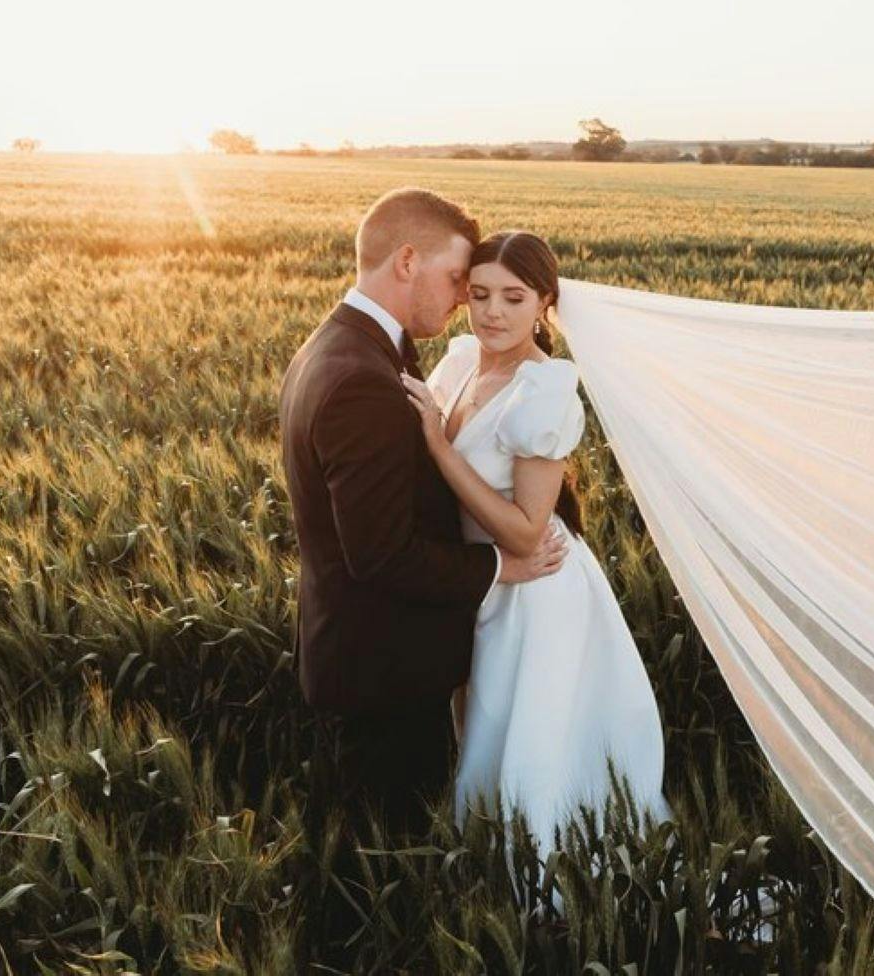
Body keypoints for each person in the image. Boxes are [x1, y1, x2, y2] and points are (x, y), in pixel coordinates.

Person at [279, 189, 568, 836]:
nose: (466, 298)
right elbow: (380, 554)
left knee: (364, 842)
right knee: (381, 854)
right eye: (458, 279)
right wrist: (500, 566)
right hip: (382, 666)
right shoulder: (361, 378)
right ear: (407, 261)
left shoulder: (338, 346)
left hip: (361, 652)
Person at [401, 230, 670, 851]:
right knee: (484, 728)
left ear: (545, 302)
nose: (493, 312)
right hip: (483, 581)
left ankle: (542, 883)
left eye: (514, 298)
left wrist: (440, 448)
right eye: (480, 294)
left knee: (529, 745)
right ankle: (486, 866)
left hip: (536, 592)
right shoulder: (463, 361)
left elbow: (527, 531)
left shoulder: (543, 392)